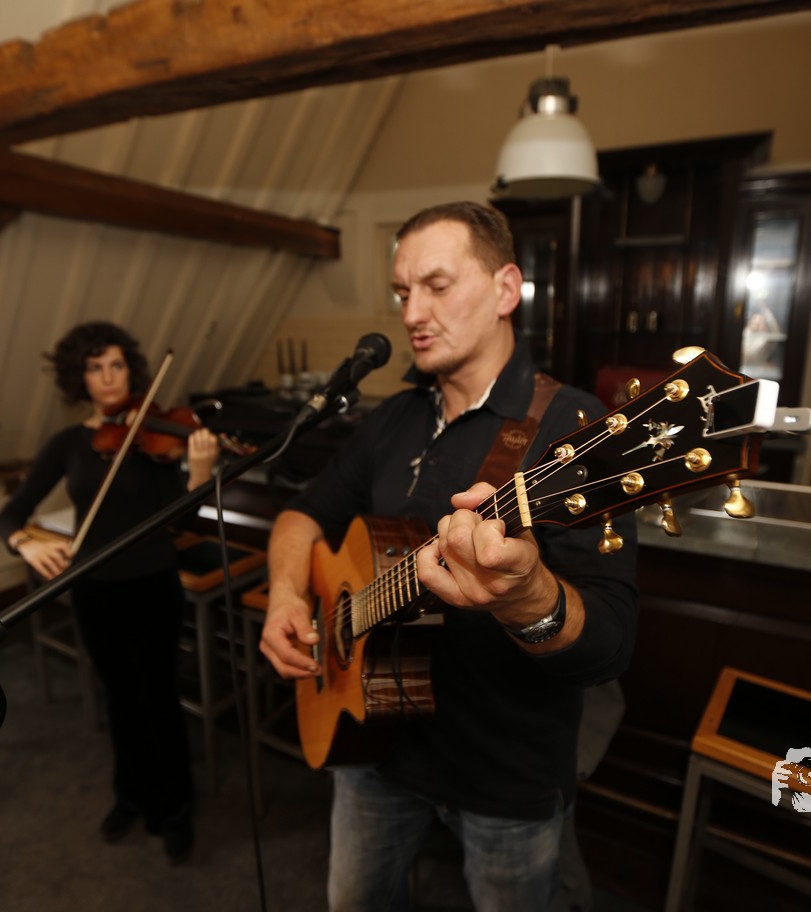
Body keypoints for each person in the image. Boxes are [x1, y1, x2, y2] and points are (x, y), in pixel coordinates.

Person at [259, 202, 639, 910]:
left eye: (436, 286)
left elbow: (610, 645)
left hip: (506, 773)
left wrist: (527, 596)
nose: (412, 313)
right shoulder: (394, 416)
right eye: (403, 292)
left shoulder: (575, 428)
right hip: (371, 745)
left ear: (505, 289)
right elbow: (301, 514)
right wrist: (285, 594)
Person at [0, 321, 217, 862]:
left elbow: (180, 521)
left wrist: (198, 476)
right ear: (81, 378)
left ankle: (175, 808)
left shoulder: (152, 435)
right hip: (94, 588)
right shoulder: (68, 444)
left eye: (116, 365)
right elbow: (10, 514)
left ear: (130, 370)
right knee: (119, 696)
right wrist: (24, 543)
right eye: (96, 368)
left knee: (158, 695)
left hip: (153, 583)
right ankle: (131, 796)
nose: (109, 377)